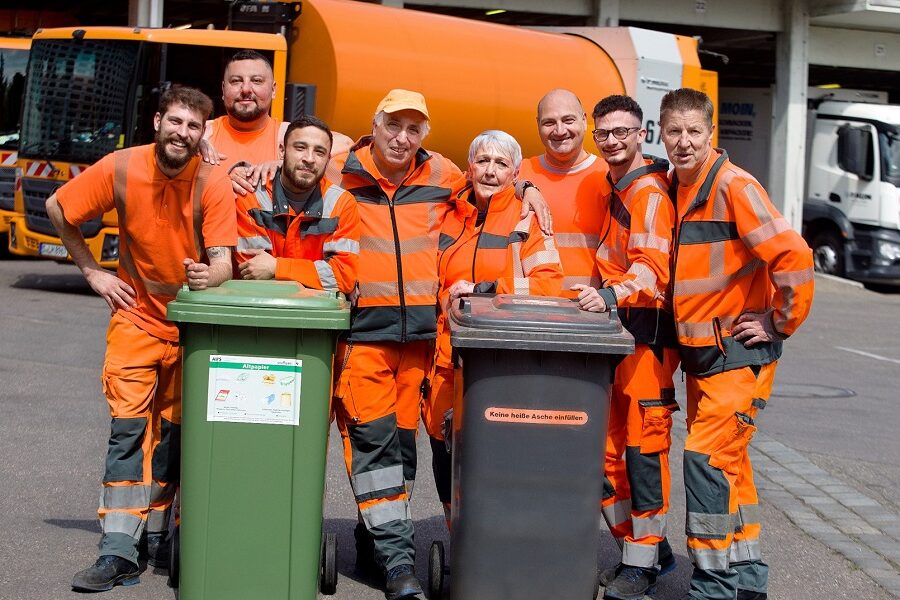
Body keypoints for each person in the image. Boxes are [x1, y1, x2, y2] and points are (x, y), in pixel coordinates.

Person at [327, 89, 549, 600]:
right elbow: (293, 167)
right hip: (364, 339)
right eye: (394, 125)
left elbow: (493, 179)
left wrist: (530, 186)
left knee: (400, 453)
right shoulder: (341, 172)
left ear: (424, 135)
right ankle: (400, 567)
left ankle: (376, 539)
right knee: (375, 445)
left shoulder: (442, 174)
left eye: (413, 129)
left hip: (421, 345)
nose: (402, 137)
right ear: (375, 125)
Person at [45, 86, 237, 592]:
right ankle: (117, 550)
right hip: (135, 320)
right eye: (175, 122)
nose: (183, 133)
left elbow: (224, 259)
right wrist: (93, 272)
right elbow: (58, 208)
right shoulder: (122, 166)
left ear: (203, 134)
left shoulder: (211, 183)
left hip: (191, 328)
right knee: (128, 433)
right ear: (157, 121)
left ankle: (156, 535)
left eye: (194, 127)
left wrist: (210, 276)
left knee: (173, 438)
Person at [659, 88, 815, 600]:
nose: (683, 142)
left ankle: (713, 585)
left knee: (703, 460)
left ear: (711, 135)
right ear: (662, 133)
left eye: (693, 132)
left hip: (737, 356)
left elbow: (793, 255)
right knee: (731, 468)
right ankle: (746, 578)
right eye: (674, 131)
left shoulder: (733, 186)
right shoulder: (674, 187)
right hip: (704, 360)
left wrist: (779, 322)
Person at [425, 130, 564, 528]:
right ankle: (460, 539)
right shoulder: (448, 209)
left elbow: (548, 284)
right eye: (483, 161)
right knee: (444, 452)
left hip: (498, 365)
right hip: (443, 360)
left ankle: (494, 541)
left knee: (494, 455)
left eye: (501, 164)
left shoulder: (526, 218)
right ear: (468, 167)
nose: (490, 170)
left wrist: (484, 292)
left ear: (515, 171)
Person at [574, 95, 679, 600]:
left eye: (622, 131)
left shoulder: (649, 193)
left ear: (643, 134)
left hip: (645, 339)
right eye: (604, 134)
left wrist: (609, 294)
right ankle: (644, 550)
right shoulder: (618, 186)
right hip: (618, 338)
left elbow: (650, 269)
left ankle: (642, 564)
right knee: (607, 452)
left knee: (642, 452)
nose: (612, 140)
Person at [234, 114, 359, 294]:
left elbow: (343, 277)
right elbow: (253, 271)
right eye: (300, 148)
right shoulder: (250, 196)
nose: (309, 158)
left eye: (319, 152)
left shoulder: (342, 203)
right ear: (282, 151)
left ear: (328, 159)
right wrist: (314, 276)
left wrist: (277, 267)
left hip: (315, 318)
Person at [201, 49, 353, 192]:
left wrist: (289, 164)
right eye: (236, 81)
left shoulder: (286, 136)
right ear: (223, 89)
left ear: (273, 90)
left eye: (257, 81)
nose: (246, 89)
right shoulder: (203, 135)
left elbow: (346, 144)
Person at [518, 88, 611, 298]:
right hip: (530, 308)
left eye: (568, 120)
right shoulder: (520, 173)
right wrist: (522, 186)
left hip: (589, 311)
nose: (560, 130)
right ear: (538, 125)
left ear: (584, 120)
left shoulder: (608, 176)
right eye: (549, 122)